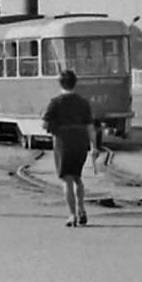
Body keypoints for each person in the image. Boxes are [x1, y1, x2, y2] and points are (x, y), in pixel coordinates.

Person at [43, 69, 94, 227]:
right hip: (81, 142)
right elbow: (90, 127)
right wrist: (95, 146)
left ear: (60, 83)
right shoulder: (84, 103)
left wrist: (54, 129)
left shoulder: (55, 102)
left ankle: (72, 215)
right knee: (78, 177)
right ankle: (82, 209)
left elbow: (45, 124)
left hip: (63, 143)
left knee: (67, 179)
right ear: (75, 83)